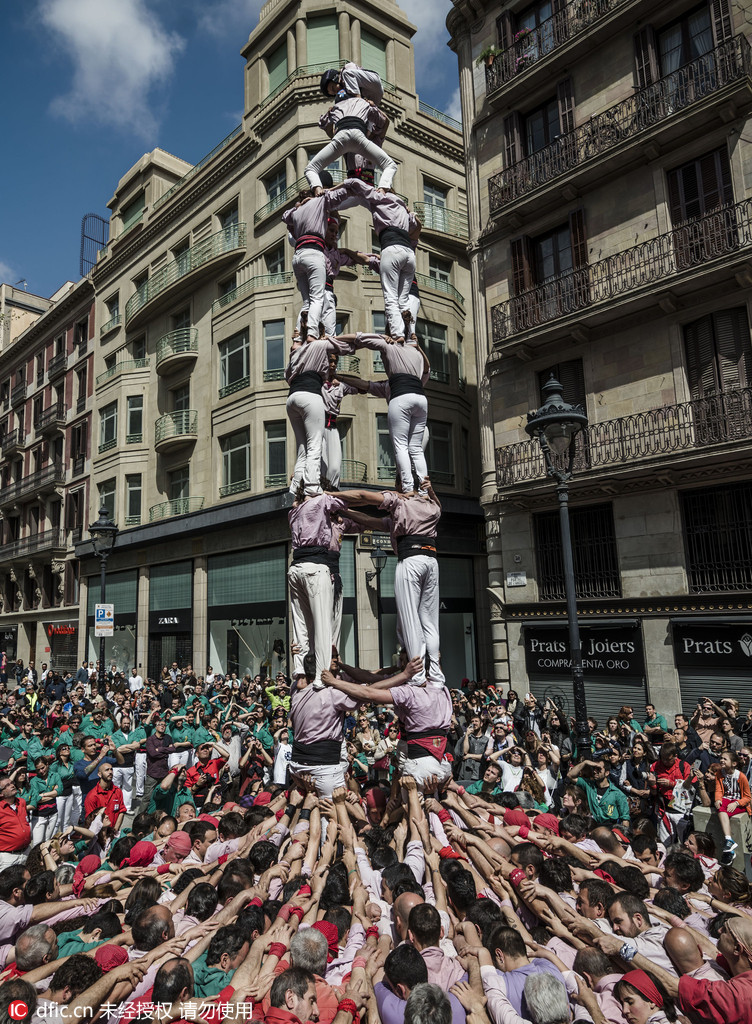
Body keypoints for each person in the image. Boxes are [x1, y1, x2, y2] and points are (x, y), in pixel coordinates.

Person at [334, 482, 443, 689]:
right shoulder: (432, 508)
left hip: (410, 559)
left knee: (409, 620)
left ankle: (418, 674)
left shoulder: (399, 502)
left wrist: (332, 496)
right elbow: (370, 520)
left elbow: (364, 495)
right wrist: (431, 491)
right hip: (431, 560)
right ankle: (435, 672)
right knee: (429, 620)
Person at [345, 181, 422, 339]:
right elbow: (417, 226)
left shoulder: (379, 198)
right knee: (403, 298)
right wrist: (411, 213)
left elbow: (359, 186)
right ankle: (410, 333)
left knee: (391, 297)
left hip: (391, 248)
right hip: (408, 254)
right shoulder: (402, 207)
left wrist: (345, 185)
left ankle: (398, 334)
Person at [285, 332, 358, 497]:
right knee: (315, 453)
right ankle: (312, 487)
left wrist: (342, 378)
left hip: (331, 426)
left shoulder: (339, 385)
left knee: (332, 466)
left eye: (334, 362)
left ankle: (327, 492)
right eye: (330, 361)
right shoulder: (319, 377)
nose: (332, 364)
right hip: (317, 420)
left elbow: (358, 388)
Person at [306, 86, 395, 194]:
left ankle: (383, 189)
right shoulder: (350, 141)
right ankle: (319, 192)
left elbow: (386, 122)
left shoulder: (374, 140)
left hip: (367, 186)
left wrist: (374, 107)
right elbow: (333, 135)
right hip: (352, 186)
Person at [714, 749, 751, 859]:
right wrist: (717, 799)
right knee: (721, 807)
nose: (722, 760)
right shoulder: (719, 774)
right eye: (721, 758)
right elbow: (719, 790)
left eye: (725, 759)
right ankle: (729, 839)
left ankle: (729, 844)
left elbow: (747, 797)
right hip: (726, 800)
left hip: (739, 803)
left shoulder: (741, 776)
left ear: (734, 763)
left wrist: (736, 803)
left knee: (722, 810)